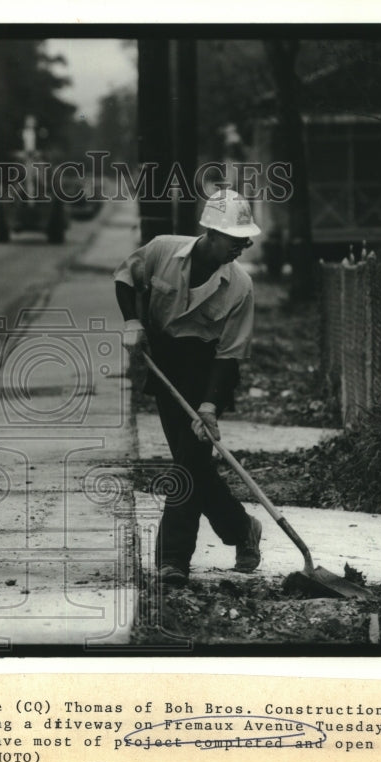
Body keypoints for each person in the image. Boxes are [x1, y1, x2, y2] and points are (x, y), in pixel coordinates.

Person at [114, 188, 262, 588]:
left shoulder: (240, 287)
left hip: (208, 372)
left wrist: (210, 406)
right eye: (235, 239)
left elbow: (229, 355)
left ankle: (172, 559)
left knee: (187, 466)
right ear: (211, 233)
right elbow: (126, 277)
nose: (242, 247)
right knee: (192, 464)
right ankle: (242, 529)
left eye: (245, 239)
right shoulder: (163, 251)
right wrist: (132, 321)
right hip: (165, 366)